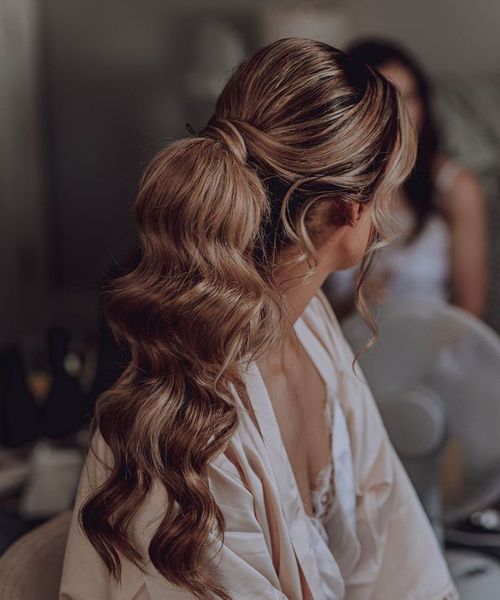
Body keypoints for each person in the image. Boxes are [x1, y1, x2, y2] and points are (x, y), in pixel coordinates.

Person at [59, 38, 458, 599]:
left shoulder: (314, 325)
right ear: (352, 209)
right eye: (387, 189)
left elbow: (396, 543)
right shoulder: (195, 421)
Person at [324, 39, 489, 320]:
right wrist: (354, 307)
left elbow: (471, 309)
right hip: (347, 347)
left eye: (408, 98)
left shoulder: (454, 186)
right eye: (385, 98)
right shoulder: (328, 187)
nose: (399, 112)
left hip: (434, 352)